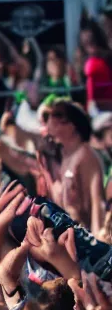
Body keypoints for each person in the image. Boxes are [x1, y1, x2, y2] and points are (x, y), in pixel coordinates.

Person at [45, 99, 105, 235]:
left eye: (55, 122)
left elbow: (97, 202)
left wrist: (99, 241)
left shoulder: (86, 155)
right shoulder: (66, 154)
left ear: (71, 126)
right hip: (71, 233)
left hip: (86, 234)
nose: (50, 127)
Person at [80, 21, 112, 113]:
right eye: (85, 43)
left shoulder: (108, 59)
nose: (89, 46)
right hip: (94, 112)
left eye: (91, 41)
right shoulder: (86, 63)